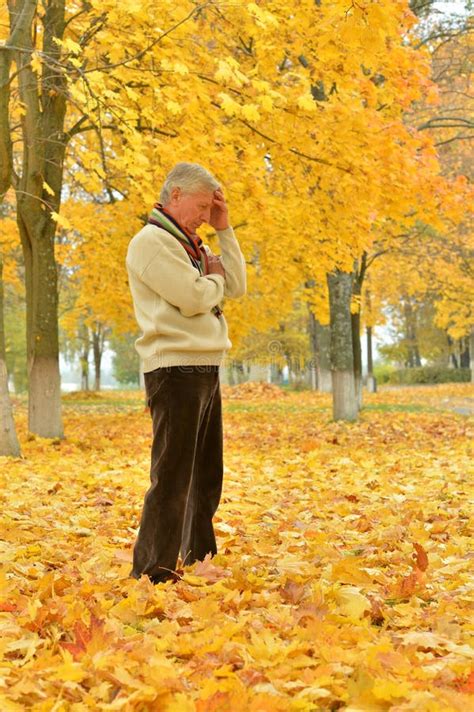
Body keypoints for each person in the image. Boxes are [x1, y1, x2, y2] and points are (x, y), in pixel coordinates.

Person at [125, 162, 247, 584]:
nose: (202, 216)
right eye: (198, 207)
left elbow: (236, 287)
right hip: (174, 368)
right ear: (174, 195)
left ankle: (198, 558)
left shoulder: (191, 245)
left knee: (207, 473)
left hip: (204, 365)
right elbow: (194, 297)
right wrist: (212, 278)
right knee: (172, 476)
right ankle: (151, 572)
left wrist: (224, 231)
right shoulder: (152, 242)